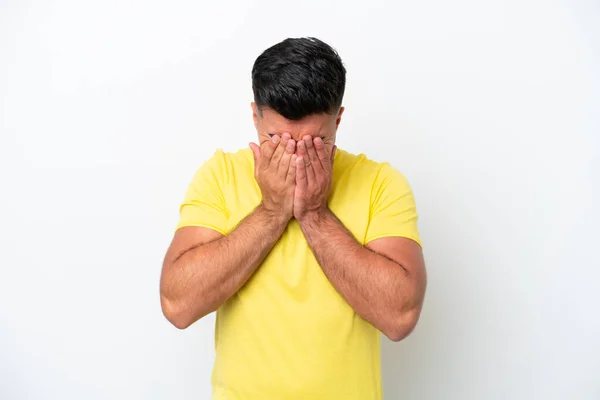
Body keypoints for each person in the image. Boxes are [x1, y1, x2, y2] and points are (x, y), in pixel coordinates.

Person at [160, 37, 427, 400]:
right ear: (255, 115)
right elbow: (177, 305)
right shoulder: (220, 175)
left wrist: (314, 213)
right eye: (276, 139)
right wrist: (272, 211)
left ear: (339, 119)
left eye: (317, 142)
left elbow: (399, 317)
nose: (297, 158)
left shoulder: (380, 182)